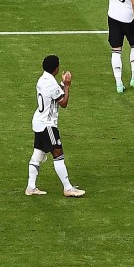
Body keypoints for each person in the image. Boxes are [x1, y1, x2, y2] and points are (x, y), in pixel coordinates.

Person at [26, 55, 85, 197]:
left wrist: (62, 83)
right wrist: (67, 85)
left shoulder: (43, 79)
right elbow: (63, 103)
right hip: (48, 125)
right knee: (58, 154)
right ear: (56, 68)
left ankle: (31, 187)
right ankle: (68, 188)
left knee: (38, 154)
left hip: (38, 122)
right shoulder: (51, 84)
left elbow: (54, 92)